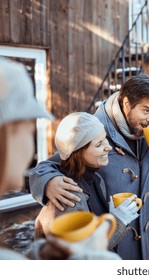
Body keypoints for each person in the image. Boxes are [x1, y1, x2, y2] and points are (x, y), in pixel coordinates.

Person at [29, 74, 149, 259]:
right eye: (146, 110)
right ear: (127, 104)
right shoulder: (96, 129)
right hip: (117, 241)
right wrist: (49, 181)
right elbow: (55, 162)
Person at [0, 57, 120, 260]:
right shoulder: (68, 194)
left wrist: (45, 255)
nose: (31, 148)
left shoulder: (94, 177)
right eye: (29, 131)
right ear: (7, 135)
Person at [34, 112, 140, 252]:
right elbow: (85, 251)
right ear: (78, 152)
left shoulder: (96, 179)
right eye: (99, 144)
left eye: (105, 139)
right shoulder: (69, 195)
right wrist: (118, 220)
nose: (108, 147)